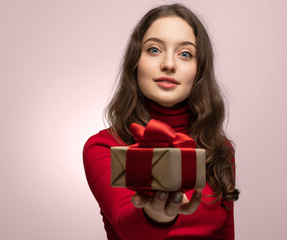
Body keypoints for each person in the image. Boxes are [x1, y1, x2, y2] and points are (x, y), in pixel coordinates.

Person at [83, 3, 240, 240]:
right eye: (154, 50)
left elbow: (227, 234)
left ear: (199, 71)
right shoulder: (104, 147)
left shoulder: (220, 150)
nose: (169, 64)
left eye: (185, 53)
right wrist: (156, 214)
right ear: (135, 62)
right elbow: (126, 226)